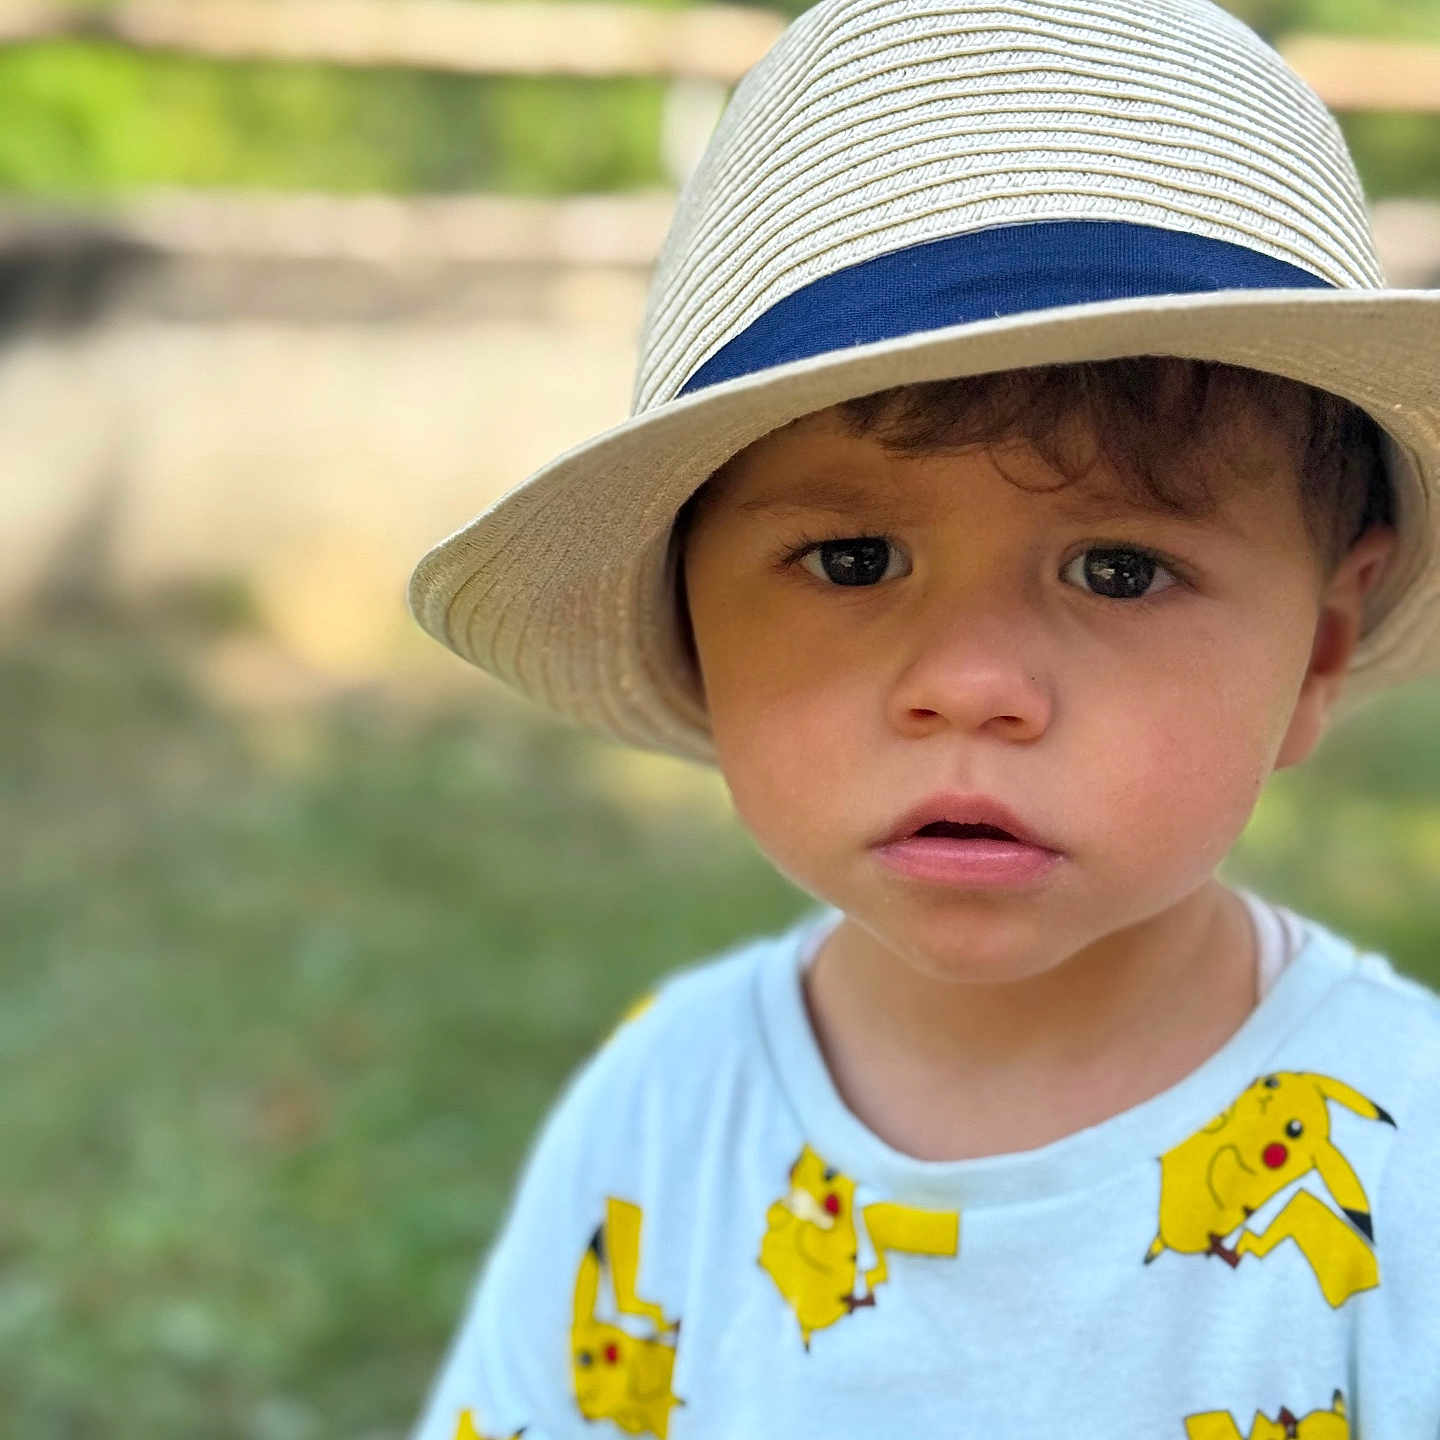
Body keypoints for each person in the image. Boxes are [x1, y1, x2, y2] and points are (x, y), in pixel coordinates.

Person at [405, 0, 1440, 1432]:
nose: (971, 683)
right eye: (850, 560)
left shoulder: (1405, 1155)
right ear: (691, 621)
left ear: (1319, 648)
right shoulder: (662, 1115)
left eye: (1121, 568)